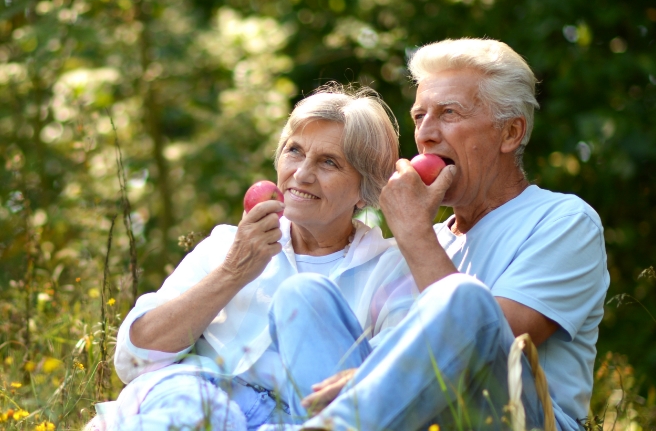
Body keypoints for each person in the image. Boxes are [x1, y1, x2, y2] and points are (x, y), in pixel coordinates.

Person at [278, 38, 610, 431]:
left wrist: (414, 233)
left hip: (521, 419)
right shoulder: (426, 239)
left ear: (510, 133)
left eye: (448, 113)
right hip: (414, 414)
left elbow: (483, 348)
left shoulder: (564, 221)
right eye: (419, 117)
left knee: (464, 298)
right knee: (303, 296)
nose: (426, 134)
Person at [86, 85, 417, 431]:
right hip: (195, 393)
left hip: (290, 420)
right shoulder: (226, 245)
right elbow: (133, 360)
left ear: (365, 190)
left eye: (329, 162)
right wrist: (233, 271)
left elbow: (395, 384)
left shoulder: (390, 268)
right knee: (199, 415)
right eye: (294, 151)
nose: (301, 174)